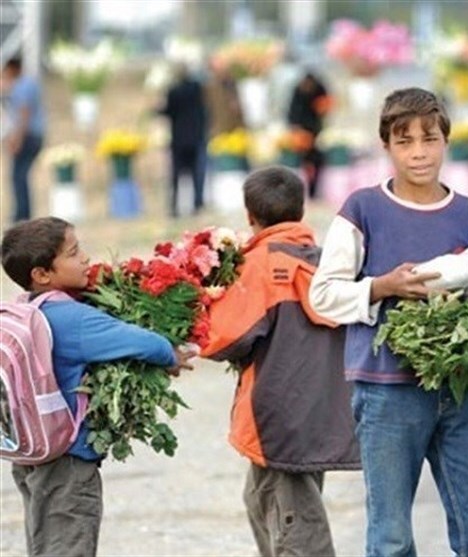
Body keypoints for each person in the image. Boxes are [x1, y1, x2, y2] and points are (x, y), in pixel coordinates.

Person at [309, 87, 468, 557]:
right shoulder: (363, 210)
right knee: (390, 539)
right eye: (404, 141)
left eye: (429, 139)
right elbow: (322, 296)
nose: (419, 153)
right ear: (386, 147)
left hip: (458, 391)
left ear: (446, 141)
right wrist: (382, 286)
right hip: (386, 393)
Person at [0, 216, 193, 557]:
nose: (85, 258)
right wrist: (171, 354)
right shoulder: (73, 319)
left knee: (45, 542)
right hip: (68, 460)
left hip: (32, 453)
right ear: (42, 274)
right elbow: (145, 342)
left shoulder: (25, 307)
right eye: (73, 253)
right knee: (68, 546)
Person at [200, 166, 360, 556]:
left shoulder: (260, 266)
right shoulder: (323, 262)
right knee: (265, 499)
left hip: (277, 417)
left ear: (250, 216)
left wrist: (205, 302)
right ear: (301, 210)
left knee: (296, 525)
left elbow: (225, 338)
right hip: (318, 413)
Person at [158, 63, 208, 217]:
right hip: (196, 136)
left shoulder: (173, 91)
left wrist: (156, 109)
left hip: (179, 139)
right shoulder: (197, 89)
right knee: (197, 173)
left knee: (176, 175)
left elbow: (169, 111)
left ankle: (174, 206)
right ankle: (197, 203)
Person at [1, 56, 45, 222]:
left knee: (18, 176)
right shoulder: (29, 84)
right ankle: (23, 212)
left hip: (28, 136)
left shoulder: (21, 87)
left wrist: (17, 139)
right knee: (21, 175)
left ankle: (22, 214)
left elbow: (24, 115)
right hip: (35, 135)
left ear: (12, 69)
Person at [287, 71, 330, 199]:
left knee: (317, 164)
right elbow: (292, 114)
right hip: (301, 135)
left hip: (316, 133)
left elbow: (325, 108)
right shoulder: (298, 93)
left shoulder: (320, 90)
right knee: (300, 165)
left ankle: (314, 191)